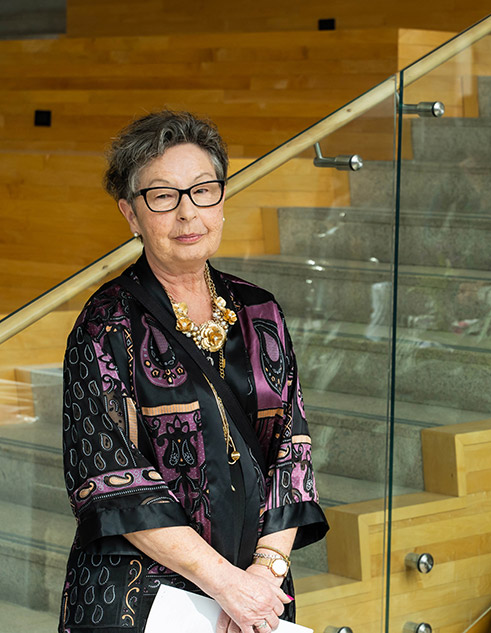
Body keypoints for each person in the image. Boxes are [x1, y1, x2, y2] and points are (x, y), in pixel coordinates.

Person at [60, 111, 328, 633]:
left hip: (256, 598)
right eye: (163, 196)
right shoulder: (106, 324)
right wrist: (224, 583)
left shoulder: (260, 311)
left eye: (202, 190)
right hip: (140, 603)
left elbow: (292, 450)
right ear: (132, 215)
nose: (188, 213)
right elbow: (111, 482)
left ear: (222, 200)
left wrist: (264, 574)